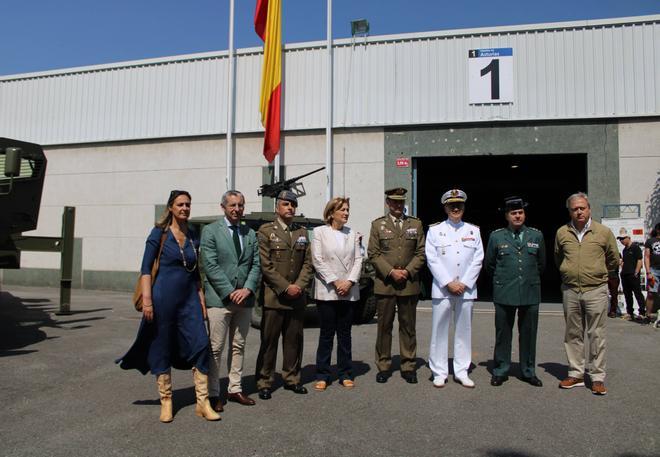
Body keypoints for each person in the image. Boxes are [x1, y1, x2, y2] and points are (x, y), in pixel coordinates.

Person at [117, 190, 220, 422]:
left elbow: (195, 273)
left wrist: (201, 298)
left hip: (189, 301)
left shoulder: (194, 235)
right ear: (171, 207)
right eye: (180, 204)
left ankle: (202, 403)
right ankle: (166, 401)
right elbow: (145, 269)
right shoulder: (159, 234)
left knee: (201, 345)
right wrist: (147, 301)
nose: (185, 208)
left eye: (188, 205)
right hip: (162, 300)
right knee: (161, 346)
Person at [201, 190, 261, 412]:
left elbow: (256, 264)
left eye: (241, 205)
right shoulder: (211, 231)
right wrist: (229, 291)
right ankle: (214, 392)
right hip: (220, 300)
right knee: (215, 348)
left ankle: (235, 388)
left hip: (244, 300)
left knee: (239, 345)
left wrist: (247, 288)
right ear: (223, 207)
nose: (237, 209)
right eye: (233, 205)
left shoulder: (250, 233)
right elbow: (210, 265)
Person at [554, 192, 618, 396]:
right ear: (570, 211)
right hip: (571, 290)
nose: (579, 211)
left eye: (582, 207)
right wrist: (569, 271)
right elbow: (558, 258)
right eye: (575, 208)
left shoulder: (603, 232)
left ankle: (597, 377)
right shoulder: (562, 232)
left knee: (596, 334)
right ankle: (576, 373)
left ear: (589, 208)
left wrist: (597, 274)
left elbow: (613, 259)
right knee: (573, 334)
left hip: (595, 290)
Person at [254, 190, 314, 399]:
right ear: (277, 207)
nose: (290, 208)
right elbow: (265, 265)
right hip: (274, 297)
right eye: (286, 204)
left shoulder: (302, 233)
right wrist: (285, 287)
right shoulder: (265, 231)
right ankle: (264, 381)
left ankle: (292, 378)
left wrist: (298, 285)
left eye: (293, 205)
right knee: (269, 342)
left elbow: (308, 263)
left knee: (293, 340)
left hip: (297, 297)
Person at [425, 189, 484, 388]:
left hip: (466, 289)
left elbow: (478, 259)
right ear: (445, 207)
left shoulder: (473, 230)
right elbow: (432, 259)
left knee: (463, 331)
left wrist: (464, 283)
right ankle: (439, 372)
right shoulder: (434, 230)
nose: (455, 208)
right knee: (439, 330)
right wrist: (448, 282)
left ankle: (461, 371)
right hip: (443, 289)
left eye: (459, 205)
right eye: (452, 205)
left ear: (464, 207)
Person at [485, 196, 545, 387]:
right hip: (504, 291)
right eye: (513, 213)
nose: (517, 216)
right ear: (507, 216)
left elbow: (541, 264)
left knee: (529, 333)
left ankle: (528, 371)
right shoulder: (496, 236)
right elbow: (489, 265)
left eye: (520, 212)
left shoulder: (536, 236)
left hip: (529, 291)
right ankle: (501, 369)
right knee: (503, 333)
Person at [368, 187, 426, 384]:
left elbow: (421, 253)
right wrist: (391, 272)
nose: (398, 205)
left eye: (400, 202)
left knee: (408, 327)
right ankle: (383, 365)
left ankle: (408, 365)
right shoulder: (378, 225)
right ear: (388, 203)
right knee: (384, 326)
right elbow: (373, 254)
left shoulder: (415, 224)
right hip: (385, 283)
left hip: (409, 283)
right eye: (394, 202)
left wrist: (408, 271)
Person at [310, 197, 363, 391]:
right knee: (326, 334)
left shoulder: (353, 234)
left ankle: (345, 373)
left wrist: (349, 282)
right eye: (342, 210)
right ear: (332, 213)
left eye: (348, 210)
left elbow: (358, 259)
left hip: (347, 291)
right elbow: (317, 260)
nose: (346, 213)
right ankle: (322, 373)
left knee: (345, 334)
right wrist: (336, 281)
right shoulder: (319, 232)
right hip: (328, 290)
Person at [618, 233, 646, 320]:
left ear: (628, 238)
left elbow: (639, 260)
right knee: (627, 295)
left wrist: (636, 272)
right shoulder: (624, 250)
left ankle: (642, 313)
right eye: (620, 239)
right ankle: (630, 313)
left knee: (638, 293)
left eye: (623, 238)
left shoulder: (635, 247)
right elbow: (624, 261)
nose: (621, 241)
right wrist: (621, 264)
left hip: (633, 274)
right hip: (625, 275)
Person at [643, 223, 660, 327]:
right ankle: (648, 315)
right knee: (651, 293)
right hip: (654, 270)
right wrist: (648, 272)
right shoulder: (650, 241)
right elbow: (647, 257)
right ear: (658, 230)